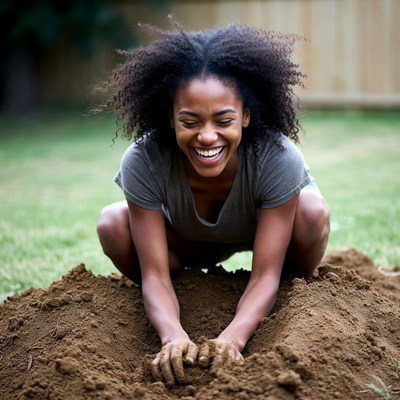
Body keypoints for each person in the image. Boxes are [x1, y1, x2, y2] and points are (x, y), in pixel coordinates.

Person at [96, 17, 330, 386]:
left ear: (246, 116)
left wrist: (232, 338)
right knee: (112, 223)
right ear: (171, 119)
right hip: (185, 243)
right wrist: (172, 335)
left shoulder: (277, 158)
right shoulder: (145, 159)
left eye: (223, 120)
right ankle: (186, 291)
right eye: (190, 121)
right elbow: (154, 273)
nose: (207, 137)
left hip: (267, 241)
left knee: (313, 211)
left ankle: (287, 296)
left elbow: (265, 272)